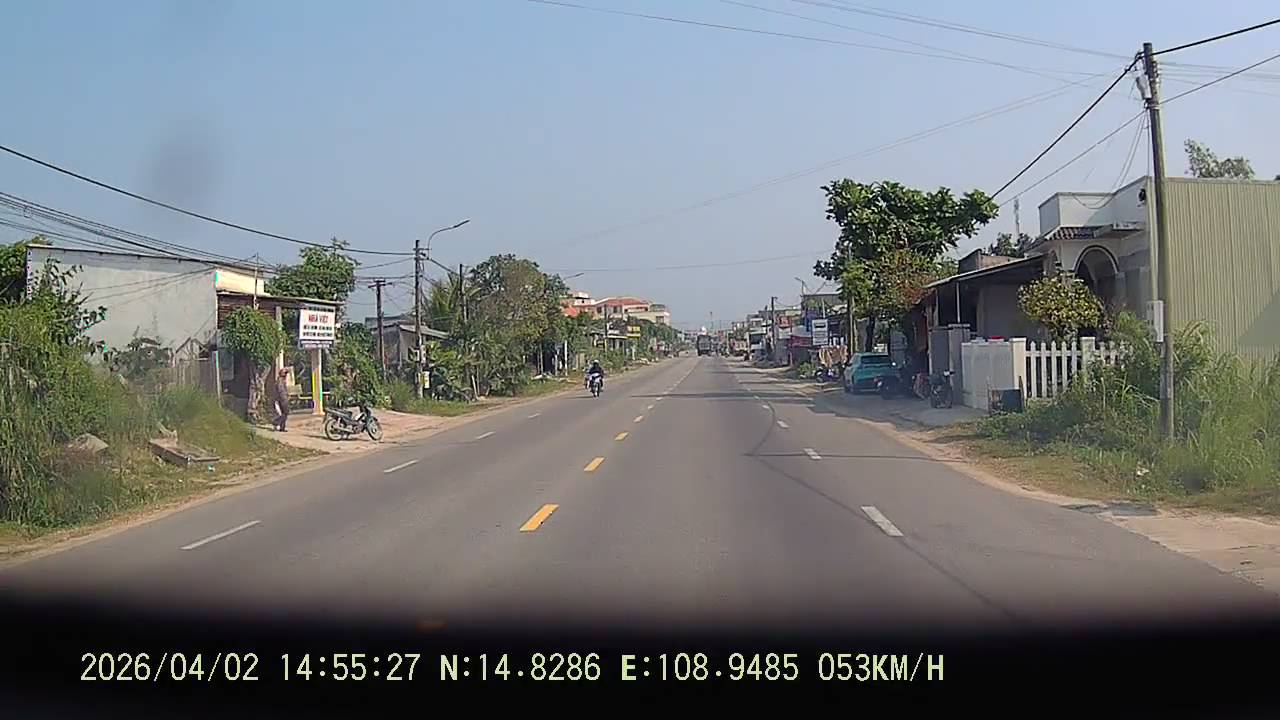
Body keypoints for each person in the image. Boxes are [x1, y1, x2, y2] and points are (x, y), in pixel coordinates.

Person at [272, 367, 291, 432]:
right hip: (282, 399)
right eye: (285, 373)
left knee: (284, 413)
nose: (286, 375)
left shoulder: (282, 380)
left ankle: (282, 427)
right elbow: (281, 391)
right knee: (285, 412)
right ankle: (276, 422)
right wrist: (285, 398)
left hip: (283, 398)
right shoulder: (280, 380)